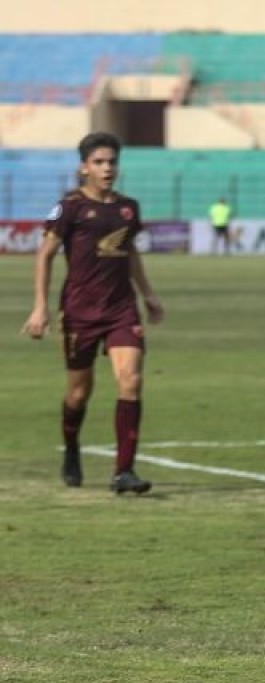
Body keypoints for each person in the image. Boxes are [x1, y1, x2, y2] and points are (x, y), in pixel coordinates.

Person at [22, 131, 165, 494]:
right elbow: (44, 255)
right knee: (78, 394)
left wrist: (148, 296)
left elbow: (129, 253)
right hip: (80, 312)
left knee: (130, 380)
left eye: (112, 162)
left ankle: (124, 472)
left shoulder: (127, 208)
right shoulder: (69, 207)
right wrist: (40, 307)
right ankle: (71, 447)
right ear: (84, 167)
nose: (107, 168)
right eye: (99, 162)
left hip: (121, 309)